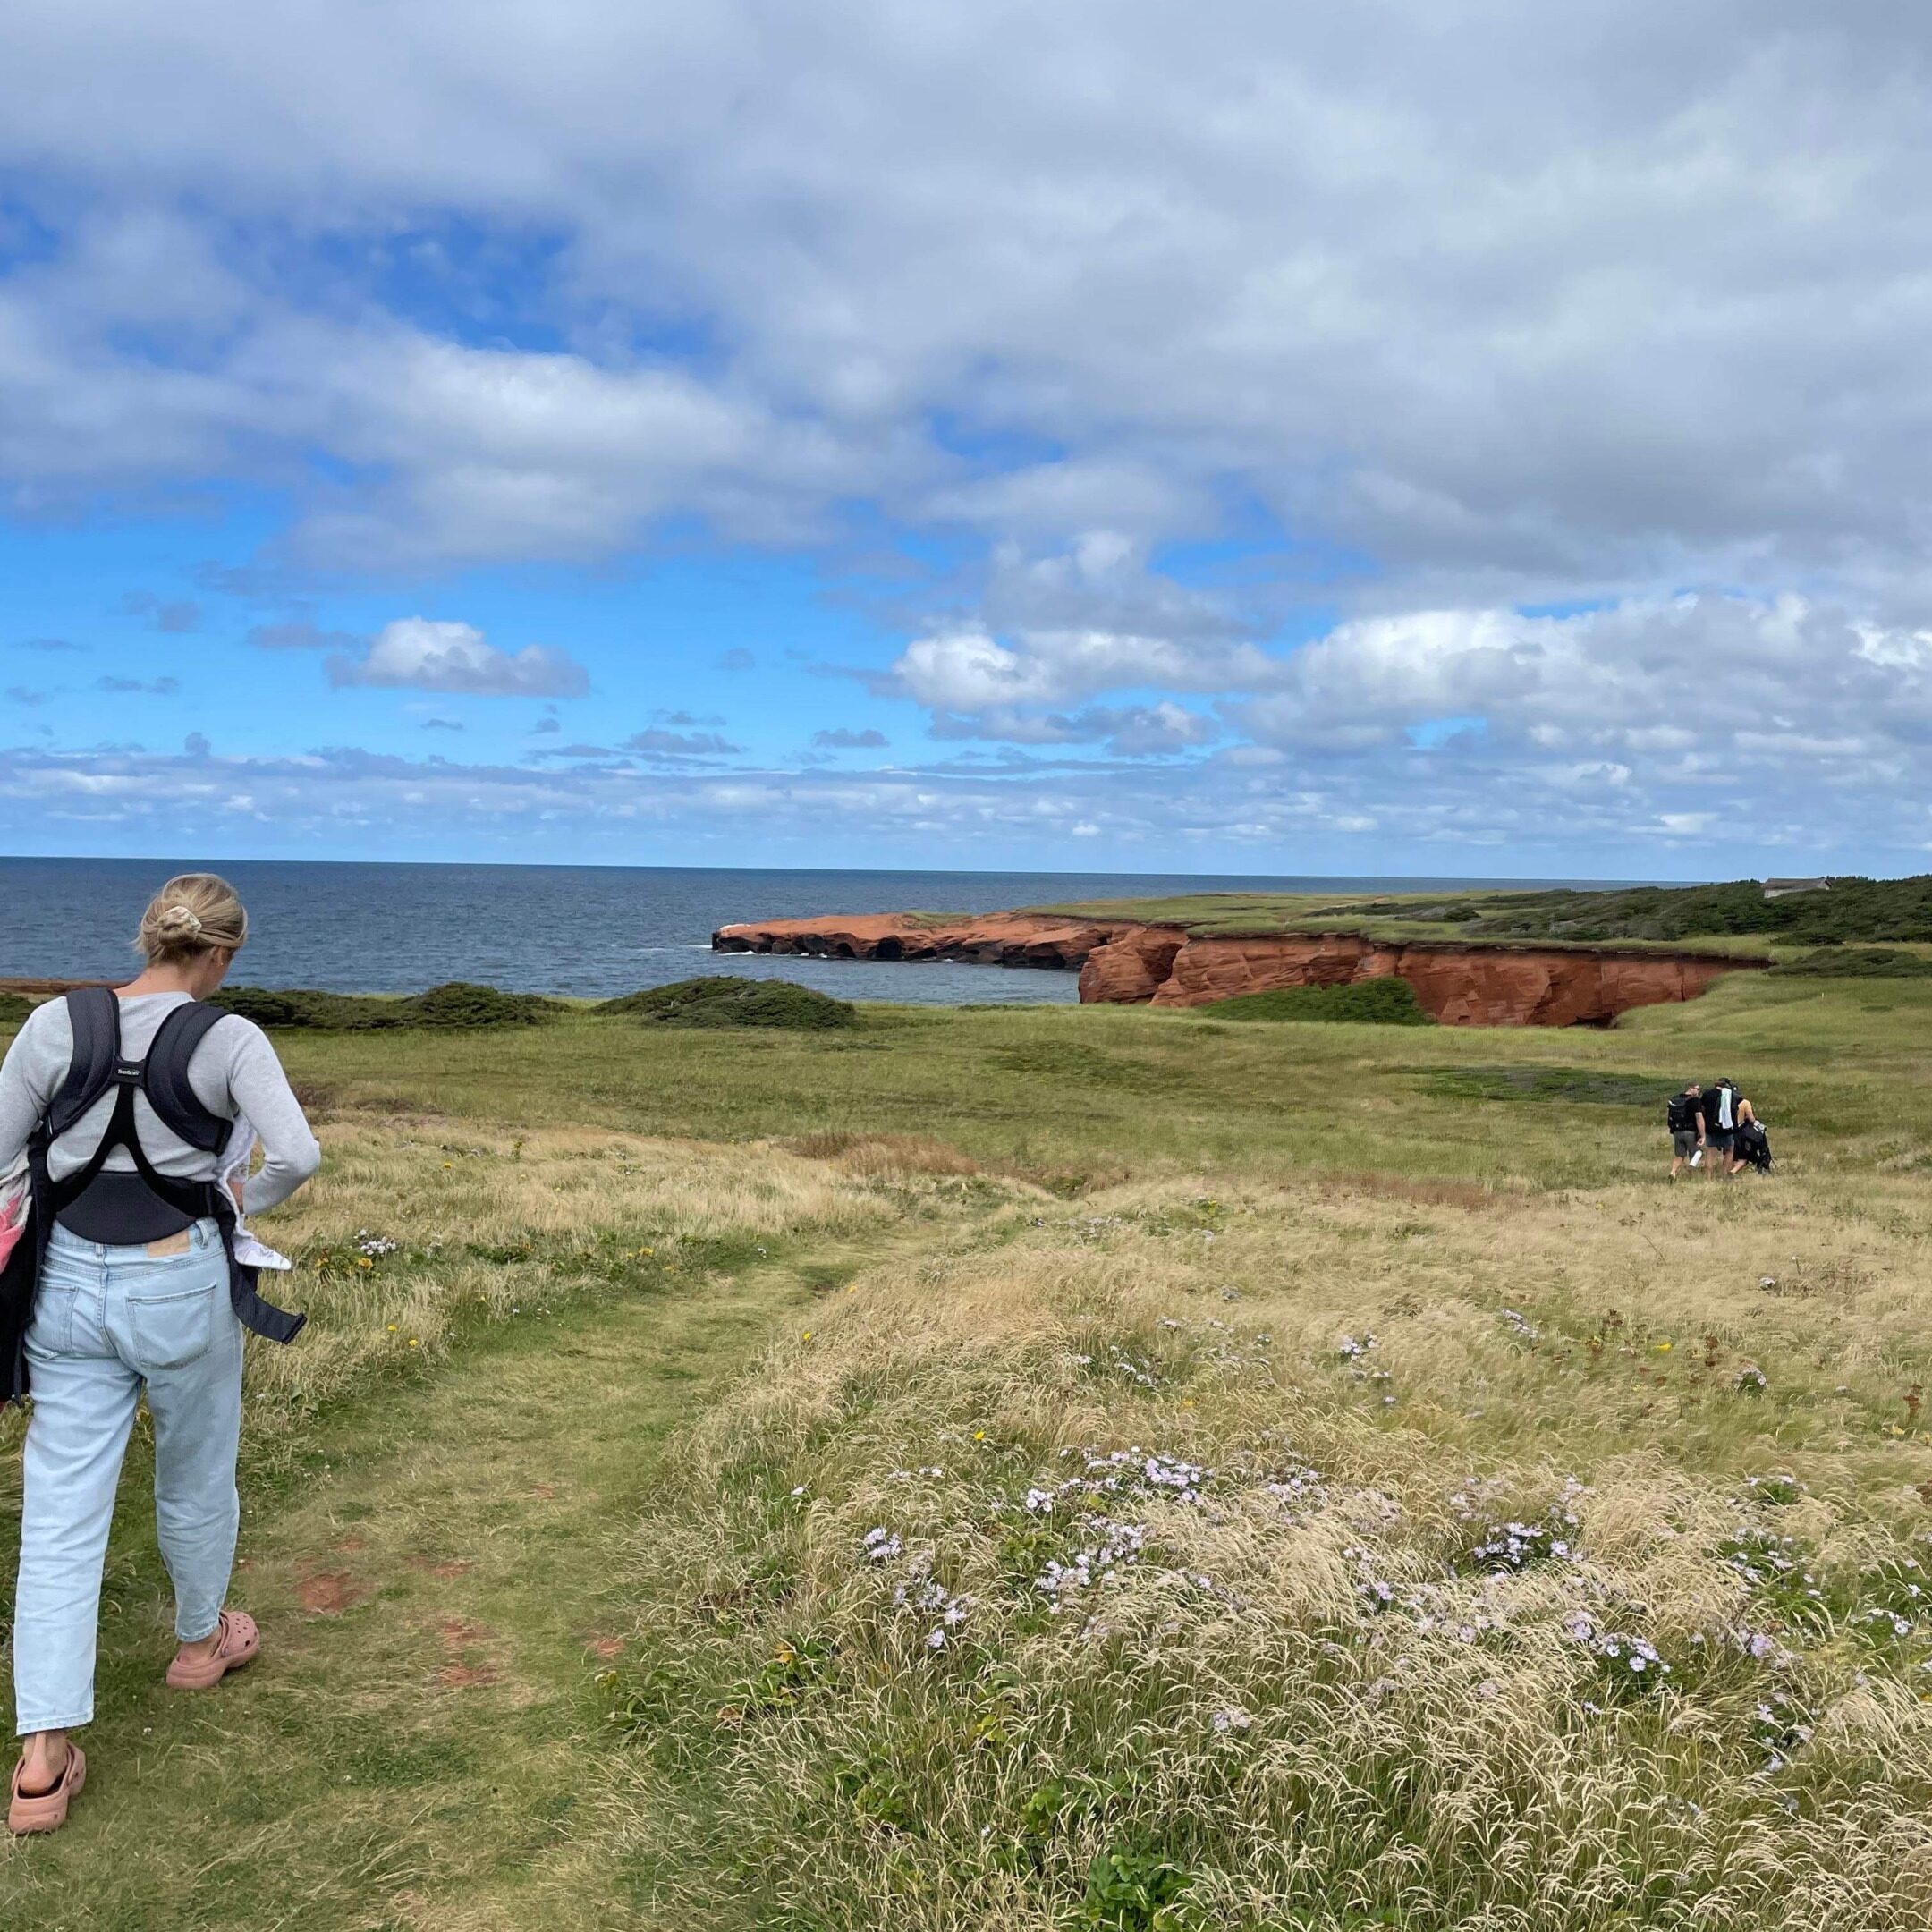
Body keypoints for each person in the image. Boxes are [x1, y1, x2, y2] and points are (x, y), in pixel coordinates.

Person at [0, 874, 320, 1835]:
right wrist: (231, 1206)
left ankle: (42, 1760)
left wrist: (37, 1196)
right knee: (194, 1473)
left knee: (61, 1509)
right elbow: (297, 1155)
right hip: (180, 1282)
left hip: (64, 1284)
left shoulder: (56, 1025)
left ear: (149, 939)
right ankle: (199, 1643)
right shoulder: (230, 1040)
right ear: (220, 954)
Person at [1665, 1081, 1706, 1181]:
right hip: (1690, 1132)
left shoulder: (1675, 1099)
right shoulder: (1694, 1101)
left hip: (1677, 1131)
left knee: (1679, 1155)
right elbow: (1699, 1117)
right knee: (1696, 1154)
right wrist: (1703, 1135)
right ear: (1690, 1088)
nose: (1698, 1091)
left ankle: (1673, 1172)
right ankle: (1691, 1176)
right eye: (1697, 1089)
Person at [1704, 1077, 1741, 1179]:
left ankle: (1708, 1177)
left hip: (1711, 1128)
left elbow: (1703, 1108)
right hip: (1727, 1128)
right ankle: (1724, 1175)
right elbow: (1737, 1107)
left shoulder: (1707, 1094)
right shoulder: (1731, 1095)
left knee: (1710, 1152)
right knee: (1729, 1150)